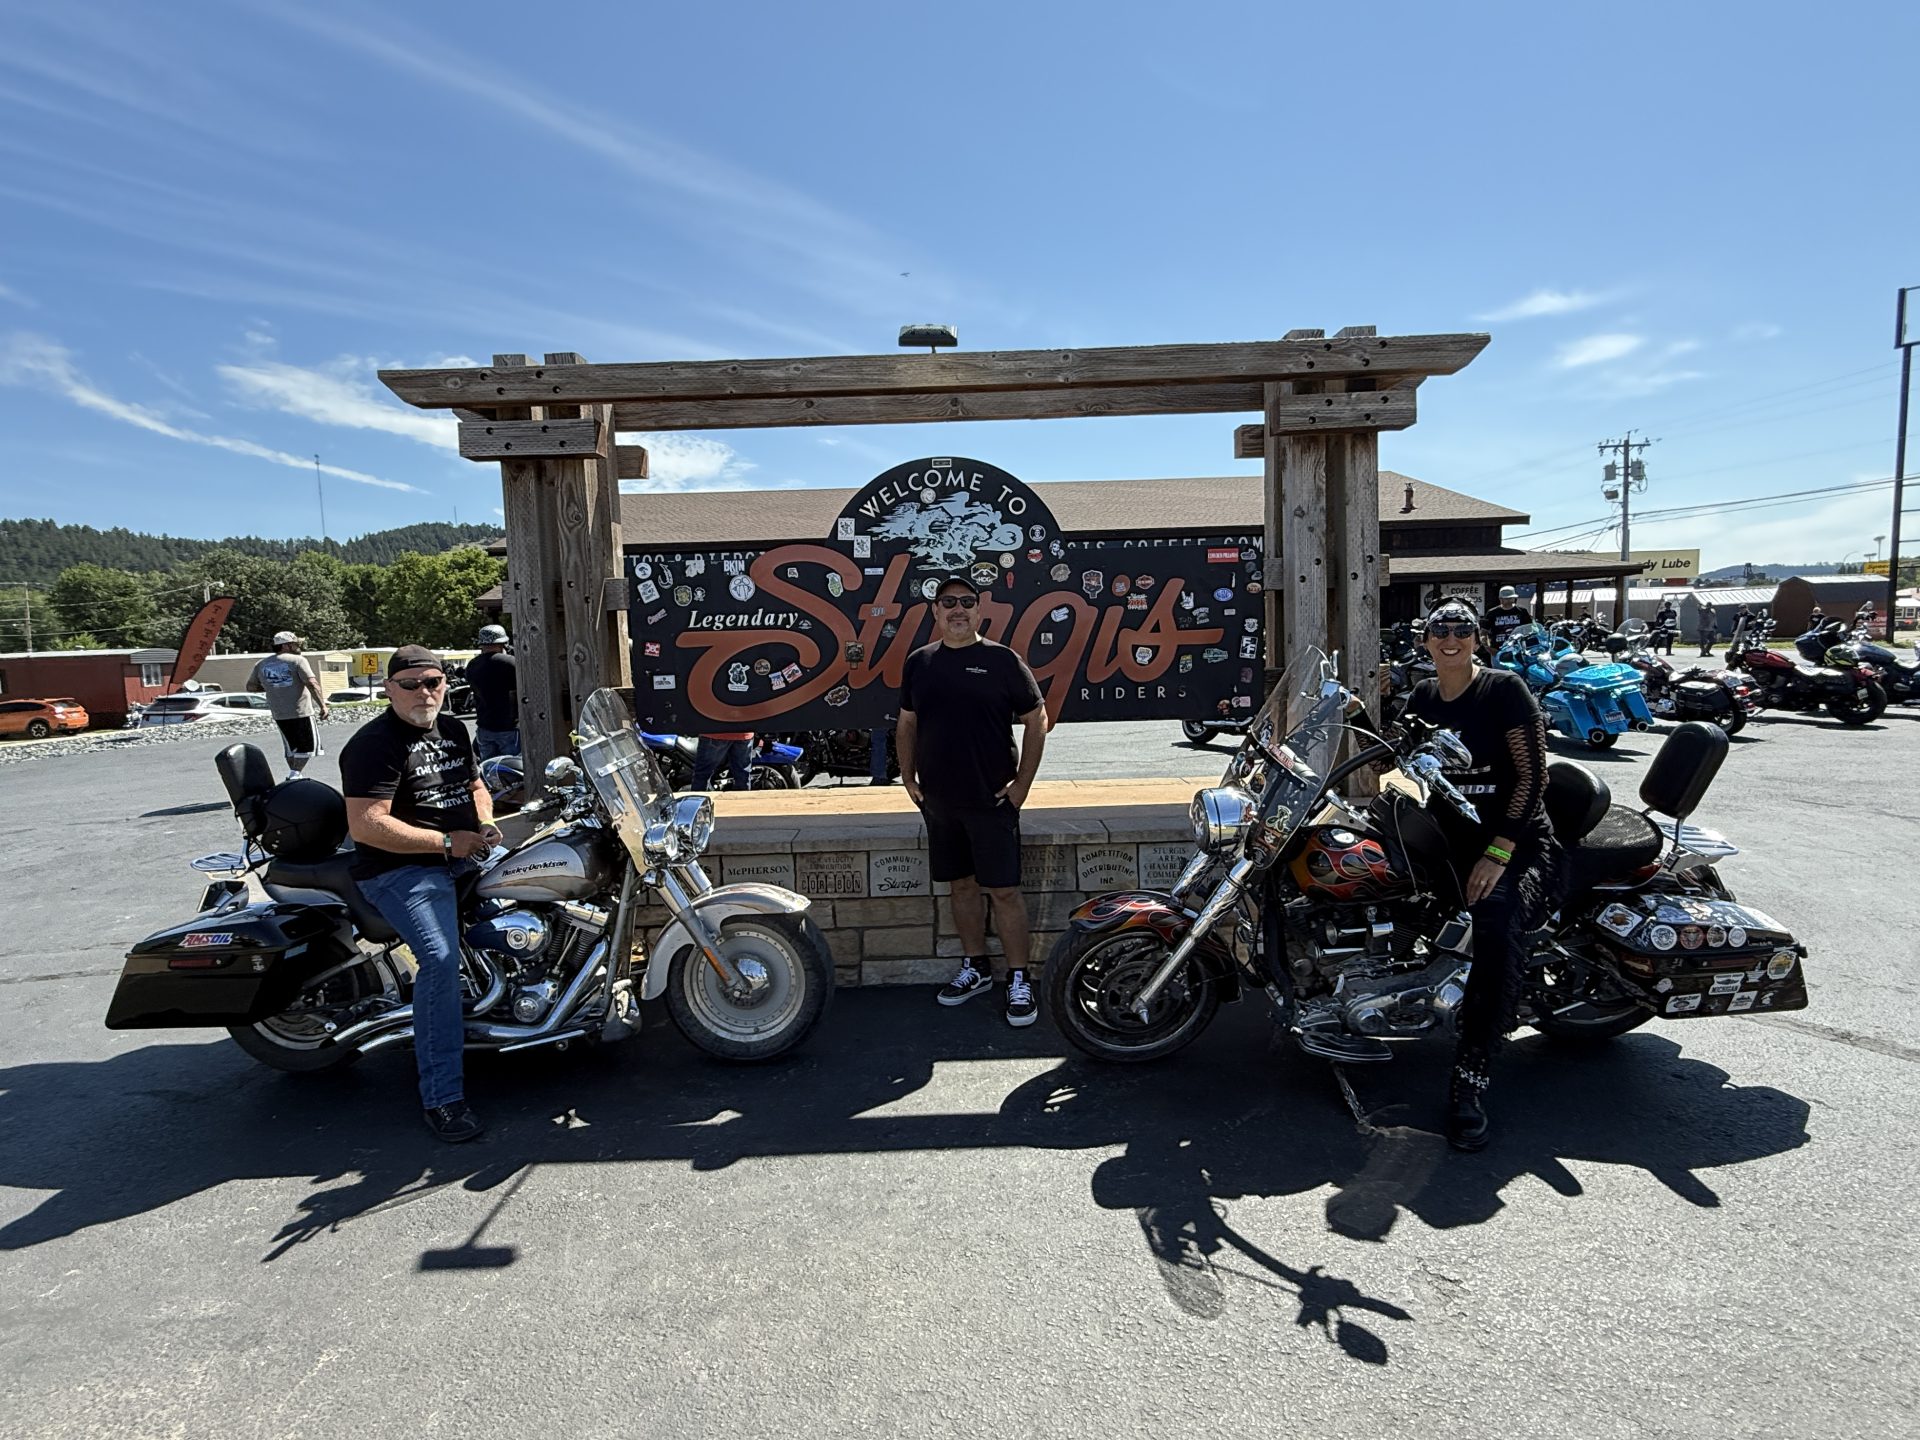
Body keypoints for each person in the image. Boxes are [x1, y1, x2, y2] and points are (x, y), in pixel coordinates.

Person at [1397, 599, 1558, 1152]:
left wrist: (1497, 851)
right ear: (1425, 640)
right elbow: (1401, 750)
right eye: (1440, 629)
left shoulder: (1503, 690)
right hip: (1450, 838)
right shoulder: (1423, 695)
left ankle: (1472, 1072)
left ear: (1478, 638)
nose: (1450, 639)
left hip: (1512, 842)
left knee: (1494, 923)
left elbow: (1533, 776)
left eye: (1462, 629)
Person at [340, 645, 503, 1143]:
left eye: (433, 682)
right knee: (438, 959)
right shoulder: (373, 744)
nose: (424, 692)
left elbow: (475, 785)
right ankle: (442, 1097)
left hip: (462, 854)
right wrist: (446, 842)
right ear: (389, 689)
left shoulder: (453, 729)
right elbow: (367, 825)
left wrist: (487, 821)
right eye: (411, 684)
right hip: (401, 870)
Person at [899, 573, 1048, 1028]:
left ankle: (1019, 978)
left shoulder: (1003, 661)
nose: (957, 609)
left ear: (979, 610)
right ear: (935, 611)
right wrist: (908, 780)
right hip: (941, 801)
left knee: (1003, 891)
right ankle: (976, 968)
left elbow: (1037, 719)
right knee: (961, 887)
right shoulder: (919, 664)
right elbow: (907, 724)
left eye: (966, 601)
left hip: (992, 800)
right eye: (948, 602)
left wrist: (1021, 786)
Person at [247, 631, 329, 779]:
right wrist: (323, 705)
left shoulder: (261, 664)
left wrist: (272, 686)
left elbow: (251, 687)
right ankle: (294, 774)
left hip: (279, 713)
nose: (298, 646)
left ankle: (295, 775)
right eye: (295, 643)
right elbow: (311, 683)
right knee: (308, 746)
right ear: (286, 645)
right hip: (300, 711)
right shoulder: (298, 661)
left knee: (291, 748)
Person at [464, 624, 519, 760]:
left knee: (488, 769)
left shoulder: (472, 665)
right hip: (509, 727)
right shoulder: (511, 663)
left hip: (484, 726)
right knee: (511, 770)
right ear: (503, 643)